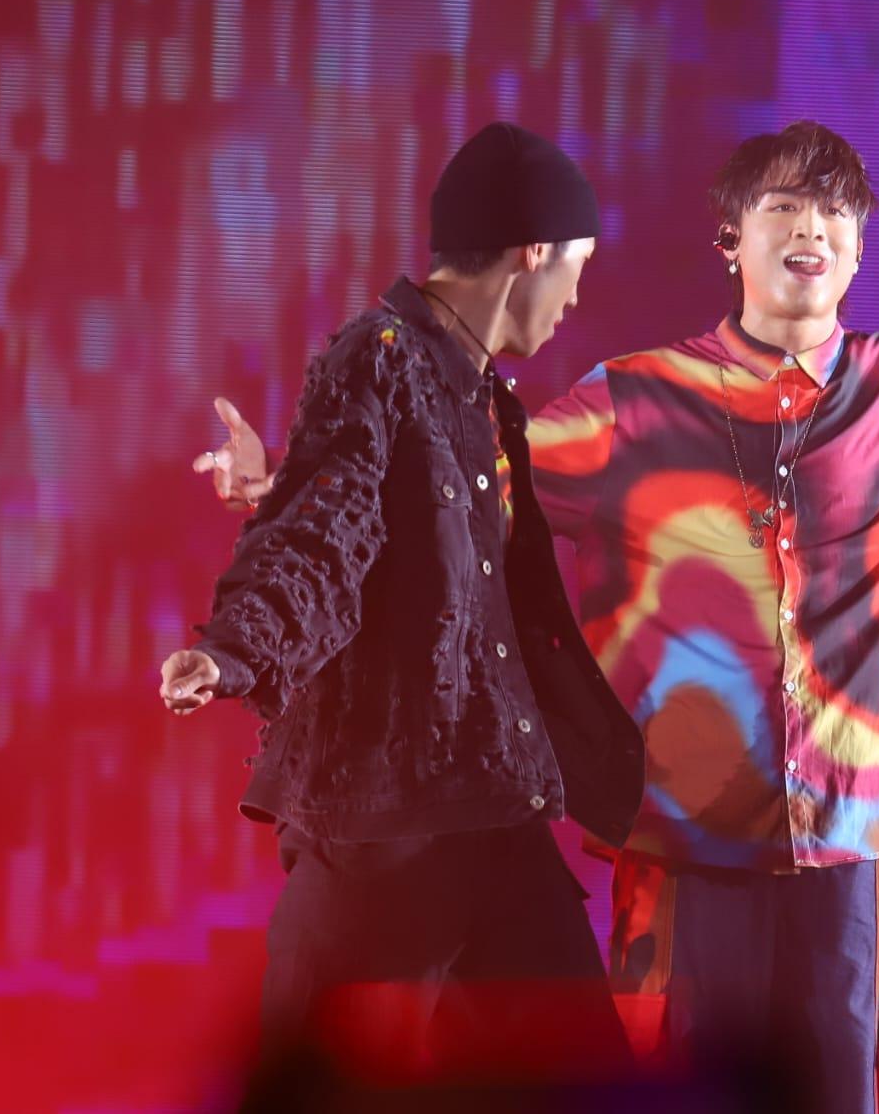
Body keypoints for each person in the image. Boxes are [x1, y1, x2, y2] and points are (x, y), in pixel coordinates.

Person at [204, 120, 879, 1111]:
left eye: (836, 211)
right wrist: (287, 478)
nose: (812, 228)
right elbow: (442, 474)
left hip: (862, 836)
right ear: (731, 240)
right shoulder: (633, 402)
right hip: (683, 833)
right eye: (784, 205)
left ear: (859, 252)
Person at [159, 124, 644, 1079]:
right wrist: (233, 647)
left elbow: (390, 515)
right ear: (532, 252)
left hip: (492, 803)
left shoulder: (479, 394)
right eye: (577, 267)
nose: (577, 297)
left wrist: (281, 478)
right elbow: (324, 535)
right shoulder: (378, 355)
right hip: (387, 824)